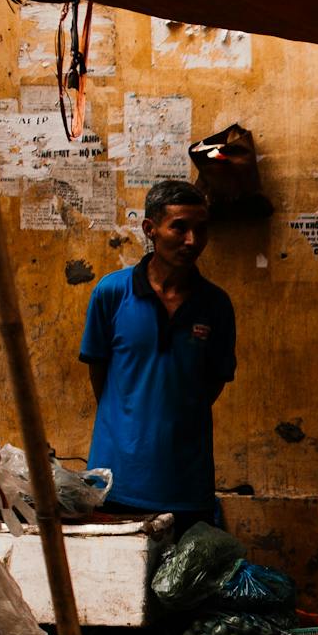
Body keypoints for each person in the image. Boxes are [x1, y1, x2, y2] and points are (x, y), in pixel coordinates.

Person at [80, 180, 235, 533]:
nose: (192, 240)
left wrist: (176, 414)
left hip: (186, 483)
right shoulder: (111, 293)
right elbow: (99, 372)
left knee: (185, 569)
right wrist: (129, 417)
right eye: (179, 227)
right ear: (150, 229)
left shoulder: (216, 304)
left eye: (201, 229)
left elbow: (212, 381)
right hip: (116, 480)